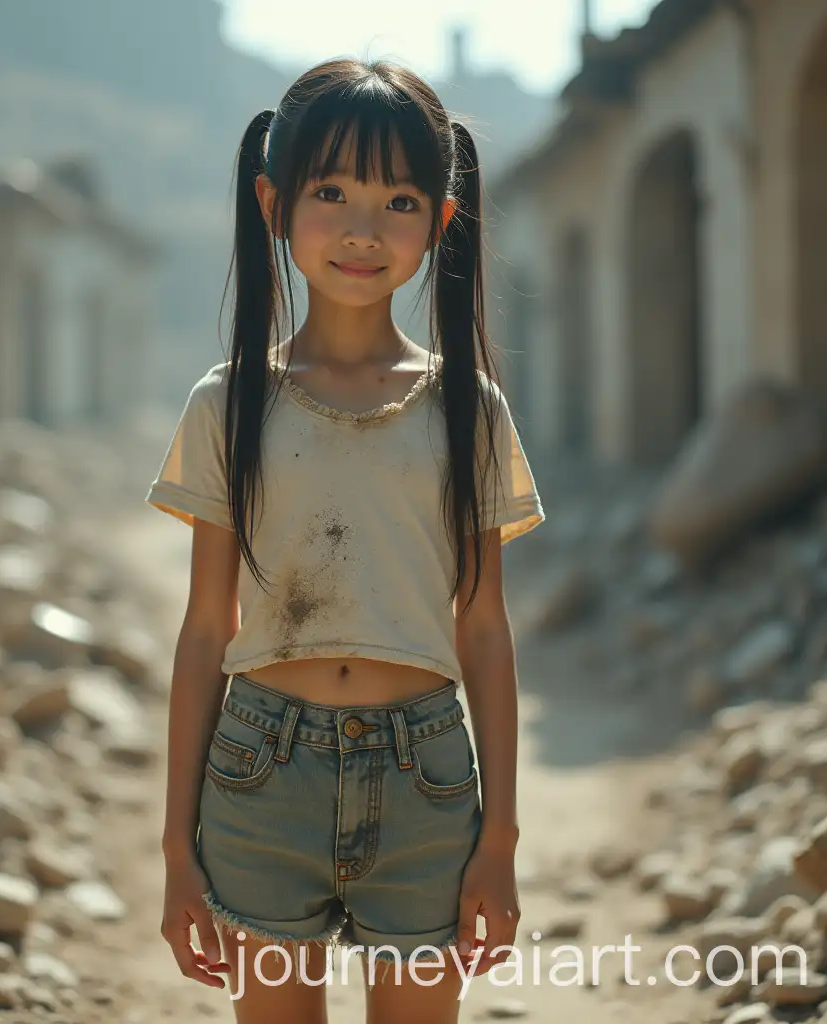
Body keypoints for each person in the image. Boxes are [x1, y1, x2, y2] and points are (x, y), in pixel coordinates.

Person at [147, 56, 545, 1024]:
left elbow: (483, 629)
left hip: (426, 777)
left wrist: (499, 838)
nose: (363, 229)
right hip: (258, 775)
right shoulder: (229, 401)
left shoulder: (469, 409)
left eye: (400, 199)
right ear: (274, 202)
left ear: (439, 222)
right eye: (330, 191)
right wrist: (173, 850)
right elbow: (207, 629)